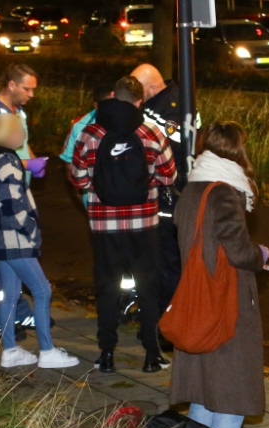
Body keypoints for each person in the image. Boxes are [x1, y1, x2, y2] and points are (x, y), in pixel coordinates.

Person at [169, 121, 269, 428]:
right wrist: (261, 254)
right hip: (225, 308)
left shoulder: (192, 187)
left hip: (196, 303)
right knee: (230, 398)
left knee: (202, 396)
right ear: (237, 151)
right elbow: (239, 251)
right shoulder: (225, 192)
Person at [69, 76, 176, 374]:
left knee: (107, 288)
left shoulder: (91, 131)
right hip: (144, 225)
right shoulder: (151, 130)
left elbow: (78, 178)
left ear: (115, 95)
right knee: (148, 286)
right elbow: (169, 176)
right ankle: (152, 354)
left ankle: (106, 354)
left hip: (105, 226)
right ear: (140, 101)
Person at [0, 112, 79, 370]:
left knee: (10, 294)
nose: (24, 133)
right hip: (15, 241)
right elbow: (14, 209)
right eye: (20, 129)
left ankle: (11, 350)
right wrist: (32, 230)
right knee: (42, 290)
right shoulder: (9, 165)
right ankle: (47, 351)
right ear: (10, 134)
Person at [0, 63, 48, 341]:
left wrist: (30, 163)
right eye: (27, 88)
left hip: (15, 195)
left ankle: (18, 313)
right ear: (11, 85)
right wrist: (29, 164)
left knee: (15, 259)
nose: (31, 94)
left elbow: (21, 145)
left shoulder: (17, 112)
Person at [131, 64, 198, 351]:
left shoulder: (173, 107)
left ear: (153, 88)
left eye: (139, 90)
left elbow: (170, 148)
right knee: (155, 261)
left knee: (168, 263)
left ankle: (169, 328)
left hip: (171, 193)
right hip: (157, 192)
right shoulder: (159, 102)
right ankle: (158, 320)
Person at [58, 83, 115, 166]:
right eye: (107, 106)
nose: (112, 109)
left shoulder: (125, 122)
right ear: (96, 105)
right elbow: (69, 159)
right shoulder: (80, 124)